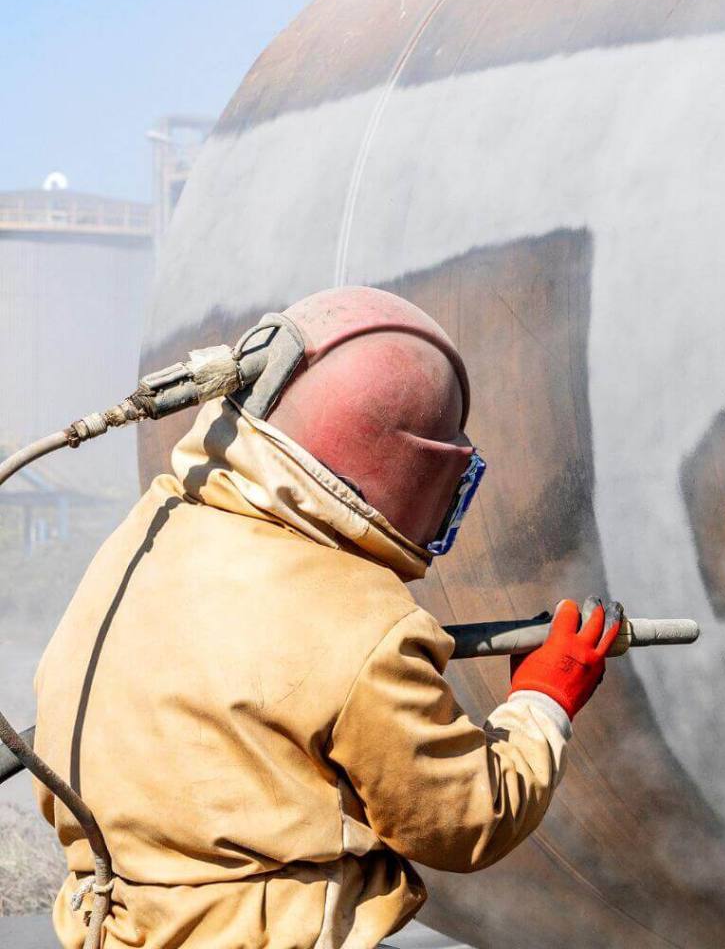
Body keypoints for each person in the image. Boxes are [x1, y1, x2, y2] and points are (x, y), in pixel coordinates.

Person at [33, 286, 620, 949]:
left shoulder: (151, 530)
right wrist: (543, 701)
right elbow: (463, 821)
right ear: (410, 473)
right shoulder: (363, 622)